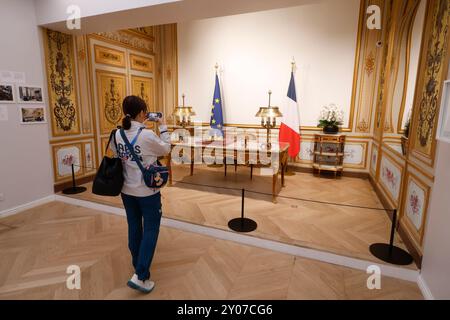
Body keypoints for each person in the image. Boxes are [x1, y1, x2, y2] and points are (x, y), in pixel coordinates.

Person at [110, 95, 171, 294]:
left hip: (126, 191)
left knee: (134, 226)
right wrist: (162, 125)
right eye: (145, 111)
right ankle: (141, 275)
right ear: (142, 113)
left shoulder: (116, 134)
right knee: (151, 229)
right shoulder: (147, 135)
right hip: (147, 191)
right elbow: (166, 148)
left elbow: (116, 154)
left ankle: (138, 263)